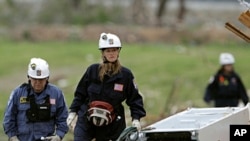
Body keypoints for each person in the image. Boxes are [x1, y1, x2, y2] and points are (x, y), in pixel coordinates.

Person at [66, 32, 146, 141]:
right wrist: (73, 112)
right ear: (103, 53)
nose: (111, 53)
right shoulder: (92, 71)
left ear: (118, 52)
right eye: (108, 51)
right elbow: (80, 93)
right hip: (87, 120)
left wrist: (136, 119)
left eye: (114, 50)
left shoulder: (126, 75)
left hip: (112, 124)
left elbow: (135, 99)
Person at [3, 58, 69, 141]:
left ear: (47, 78)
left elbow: (63, 118)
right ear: (29, 78)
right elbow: (8, 118)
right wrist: (13, 137)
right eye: (34, 79)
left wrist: (58, 136)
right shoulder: (18, 93)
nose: (37, 82)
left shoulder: (56, 94)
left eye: (41, 80)